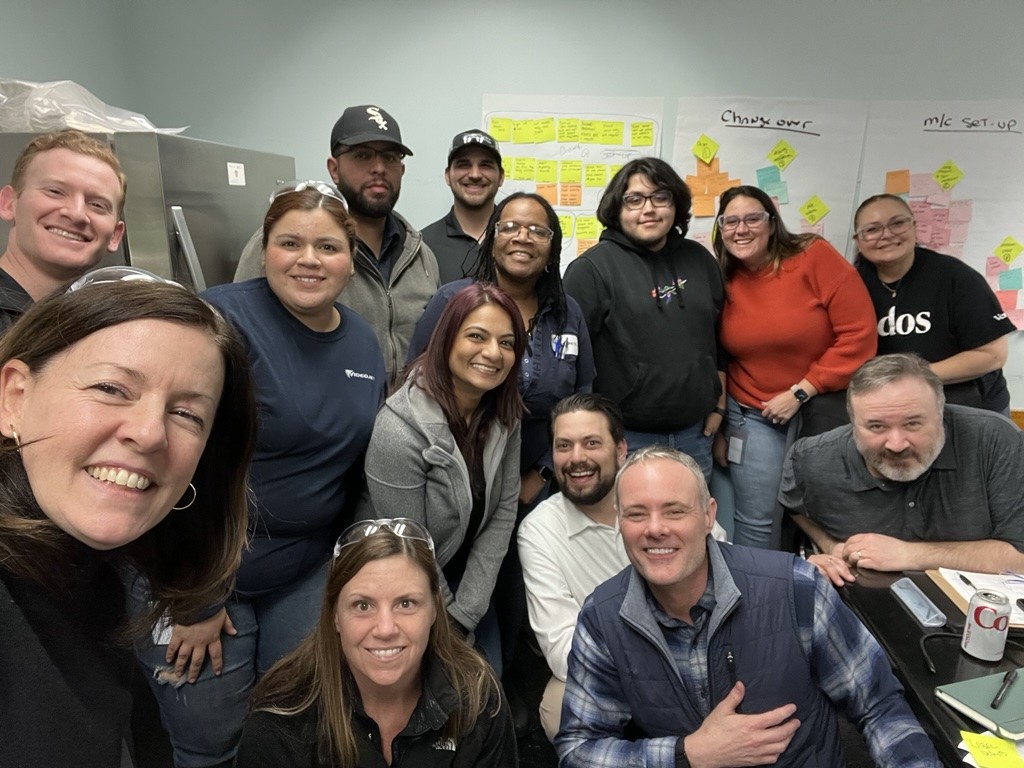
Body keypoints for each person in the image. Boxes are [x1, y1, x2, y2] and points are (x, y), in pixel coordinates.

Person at [133, 182, 386, 768]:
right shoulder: (218, 321)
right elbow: (167, 457)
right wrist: (195, 595)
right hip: (198, 570)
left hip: (301, 571)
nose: (308, 260)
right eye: (290, 242)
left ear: (351, 258)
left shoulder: (362, 342)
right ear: (265, 247)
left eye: (328, 247)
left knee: (296, 726)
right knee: (210, 741)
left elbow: (351, 467)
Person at [0, 269, 256, 768]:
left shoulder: (87, 576)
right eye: (112, 388)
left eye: (186, 414)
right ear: (15, 397)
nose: (150, 433)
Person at [556, 446, 940, 768]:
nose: (655, 528)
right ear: (620, 523)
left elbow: (879, 704)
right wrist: (688, 753)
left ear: (708, 516)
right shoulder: (602, 618)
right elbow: (578, 750)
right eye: (637, 514)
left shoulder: (796, 588)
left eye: (674, 511)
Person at [520, 394, 730, 741]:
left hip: (698, 647)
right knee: (560, 708)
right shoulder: (539, 530)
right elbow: (561, 651)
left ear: (620, 450)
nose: (577, 459)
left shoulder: (659, 493)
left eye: (591, 443)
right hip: (614, 671)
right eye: (563, 446)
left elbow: (728, 572)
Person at [235, 518, 517, 767]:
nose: (385, 629)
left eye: (406, 603)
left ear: (434, 609)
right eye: (362, 605)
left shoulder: (478, 697)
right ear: (334, 615)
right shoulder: (279, 719)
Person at [361, 283, 524, 674]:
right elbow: (409, 544)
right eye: (476, 336)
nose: (492, 353)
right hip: (395, 571)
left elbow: (502, 512)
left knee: (485, 683)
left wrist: (465, 612)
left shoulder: (505, 414)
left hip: (461, 570)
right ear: (447, 339)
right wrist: (443, 621)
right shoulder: (398, 429)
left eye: (506, 342)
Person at [712, 185, 876, 549]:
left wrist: (802, 389)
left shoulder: (813, 257)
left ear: (772, 223)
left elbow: (859, 337)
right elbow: (716, 354)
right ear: (720, 230)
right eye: (730, 221)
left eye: (753, 218)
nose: (742, 229)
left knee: (829, 515)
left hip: (824, 411)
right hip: (752, 415)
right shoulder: (721, 276)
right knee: (757, 520)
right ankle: (756, 597)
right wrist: (720, 424)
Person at [780, 353, 1024, 587]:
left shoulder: (996, 442)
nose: (896, 444)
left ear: (941, 415)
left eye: (913, 423)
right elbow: (794, 506)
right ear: (852, 423)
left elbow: (1020, 557)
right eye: (876, 426)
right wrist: (831, 545)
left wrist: (909, 554)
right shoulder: (811, 459)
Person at [234, 105, 439, 378]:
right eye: (363, 155)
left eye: (389, 158)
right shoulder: (283, 246)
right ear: (334, 168)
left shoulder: (421, 255)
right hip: (317, 415)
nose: (378, 168)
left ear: (401, 170)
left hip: (405, 418)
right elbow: (240, 337)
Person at [563, 157, 725, 482]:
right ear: (616, 209)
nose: (648, 209)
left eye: (660, 197)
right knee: (625, 531)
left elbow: (719, 342)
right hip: (626, 439)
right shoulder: (591, 270)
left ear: (675, 204)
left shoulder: (700, 260)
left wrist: (719, 407)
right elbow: (570, 364)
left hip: (695, 436)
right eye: (634, 199)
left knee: (689, 530)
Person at [852, 193, 1016, 415]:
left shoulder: (956, 277)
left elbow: (992, 354)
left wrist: (911, 377)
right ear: (858, 241)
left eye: (897, 223)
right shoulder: (851, 285)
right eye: (872, 229)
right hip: (893, 407)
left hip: (967, 406)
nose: (887, 235)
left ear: (914, 226)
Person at [0, 130, 127, 330]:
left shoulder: (92, 326)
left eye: (97, 205)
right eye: (55, 192)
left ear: (115, 235)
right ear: (8, 204)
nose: (76, 214)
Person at [421, 129, 505, 284]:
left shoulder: (518, 240)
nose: (475, 175)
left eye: (485, 165)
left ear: (501, 177)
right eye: (463, 165)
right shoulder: (422, 246)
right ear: (447, 175)